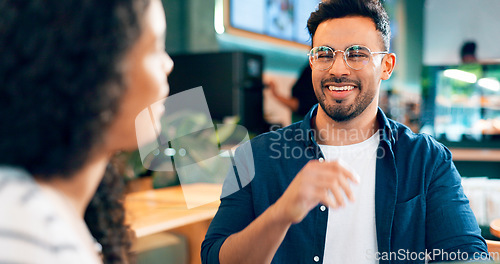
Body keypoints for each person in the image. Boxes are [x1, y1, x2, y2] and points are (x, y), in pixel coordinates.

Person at [201, 0, 489, 263]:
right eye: (324, 54)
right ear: (312, 62)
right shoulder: (255, 156)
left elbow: (465, 255)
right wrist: (281, 214)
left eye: (357, 54)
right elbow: (215, 258)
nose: (338, 69)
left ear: (386, 66)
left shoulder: (426, 160)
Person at [0, 0, 173, 263]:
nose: (168, 64)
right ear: (96, 65)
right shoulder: (21, 225)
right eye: (156, 48)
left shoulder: (51, 213)